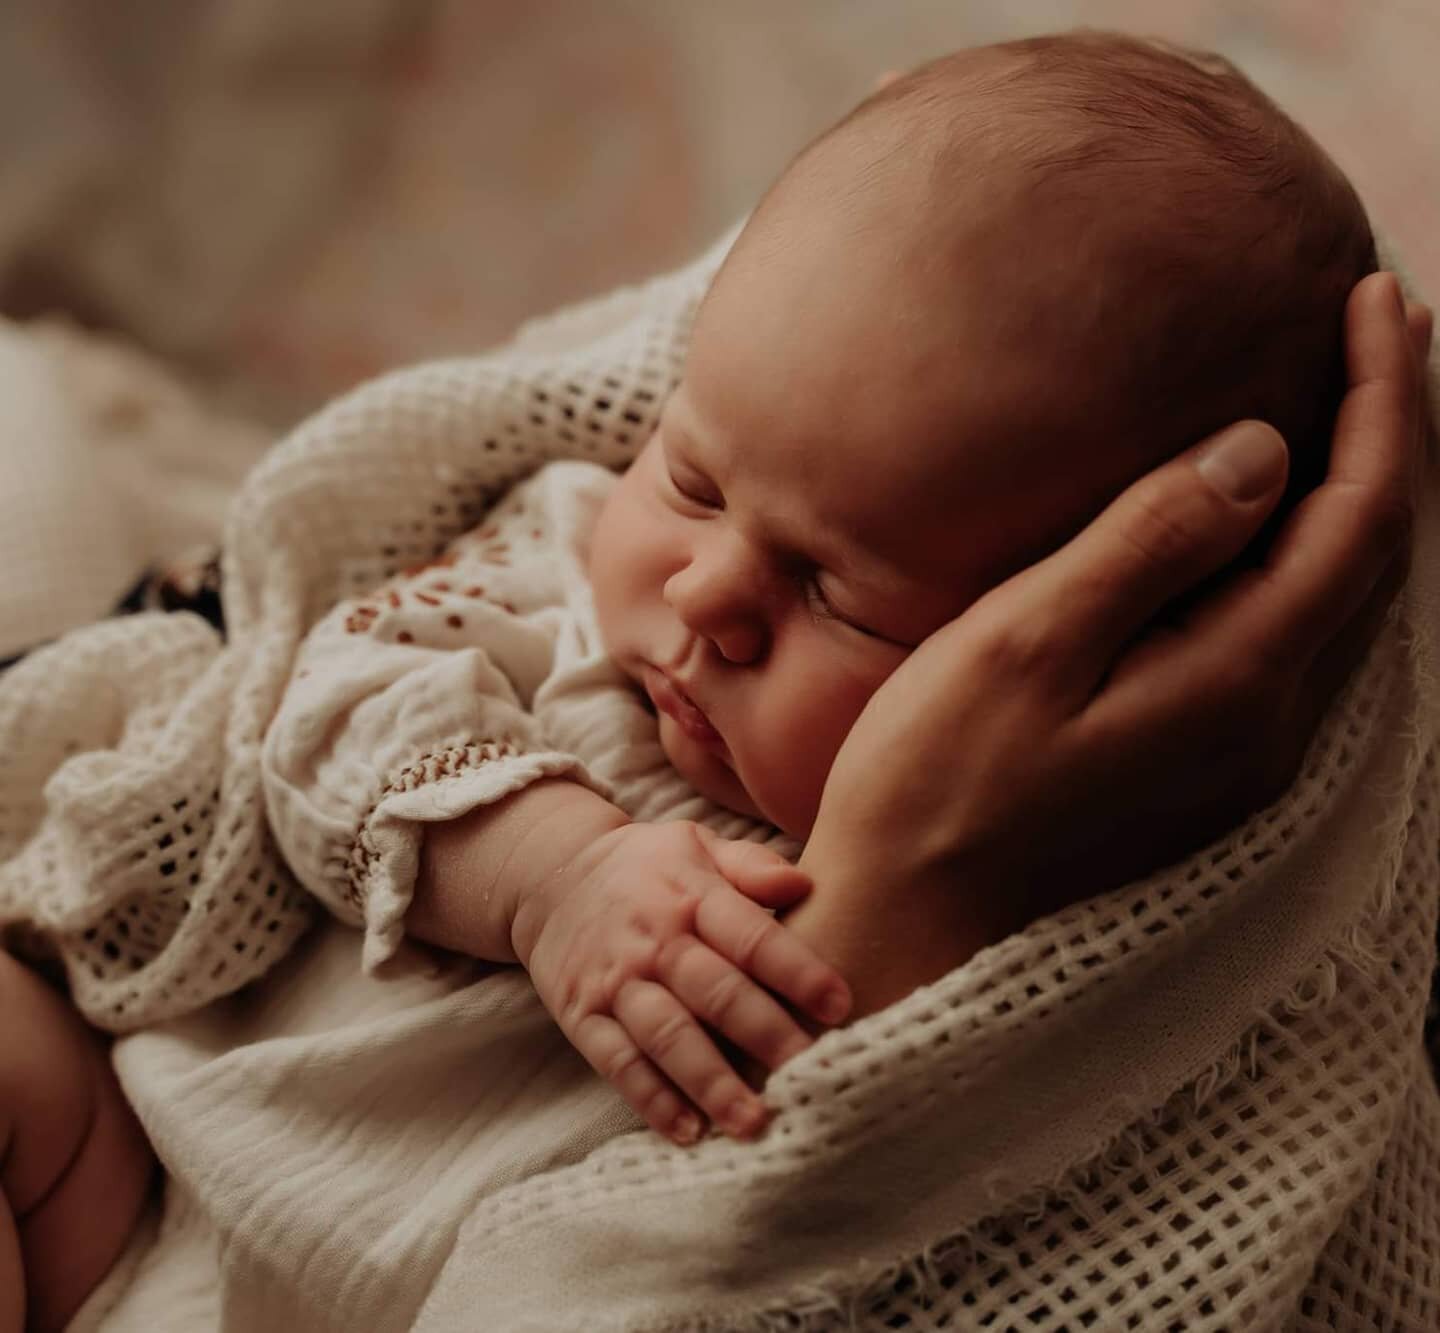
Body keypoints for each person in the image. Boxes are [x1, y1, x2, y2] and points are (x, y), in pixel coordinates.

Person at [0, 31, 1430, 1333]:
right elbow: (323, 715)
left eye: (836, 593)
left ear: (1084, 649)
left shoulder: (1042, 935)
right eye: (690, 475)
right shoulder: (555, 577)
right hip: (120, 1172)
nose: (705, 596)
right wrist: (548, 872)